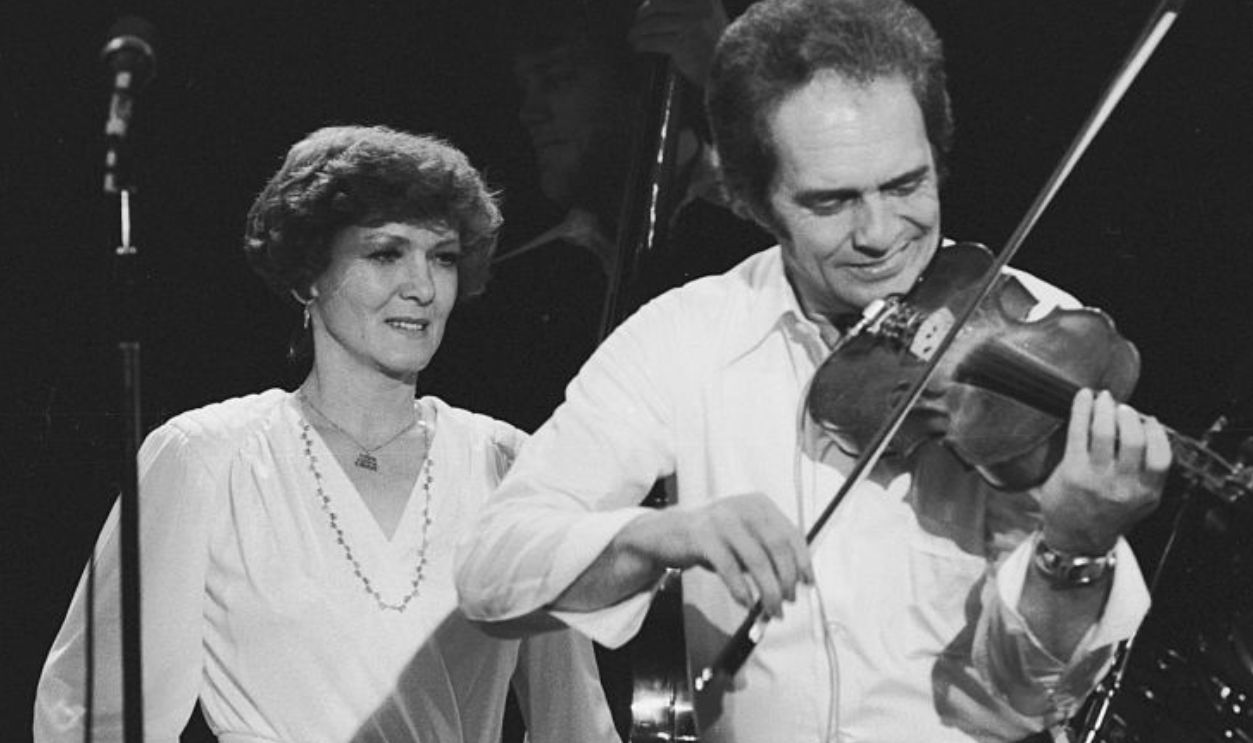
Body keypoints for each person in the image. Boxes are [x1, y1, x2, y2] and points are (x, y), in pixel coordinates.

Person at [453, 1, 1172, 741]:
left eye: (905, 186)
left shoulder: (1034, 333)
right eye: (830, 201)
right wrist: (659, 535)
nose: (880, 234)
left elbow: (1013, 702)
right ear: (751, 197)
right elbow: (491, 572)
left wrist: (1073, 547)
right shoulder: (686, 335)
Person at [33, 125, 620, 743]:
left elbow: (575, 723)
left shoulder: (508, 466)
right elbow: (95, 716)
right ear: (308, 275)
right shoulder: (208, 457)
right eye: (385, 253)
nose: (422, 287)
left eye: (442, 257)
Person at [424, 0, 771, 433]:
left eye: (556, 80)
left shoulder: (767, 230)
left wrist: (729, 78)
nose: (530, 112)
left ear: (638, 83)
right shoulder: (525, 277)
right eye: (527, 88)